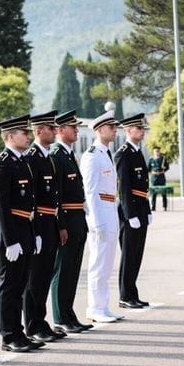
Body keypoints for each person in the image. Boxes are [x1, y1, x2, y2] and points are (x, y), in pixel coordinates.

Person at [0, 114, 41, 352]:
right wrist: (10, 240)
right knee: (10, 285)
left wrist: (33, 233)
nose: (28, 136)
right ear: (10, 137)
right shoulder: (2, 164)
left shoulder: (22, 162)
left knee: (21, 283)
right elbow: (1, 206)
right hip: (11, 233)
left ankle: (19, 332)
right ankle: (8, 335)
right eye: (24, 133)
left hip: (25, 229)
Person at [22, 110, 67, 342]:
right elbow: (31, 199)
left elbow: (55, 198)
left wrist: (60, 225)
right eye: (50, 128)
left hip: (50, 222)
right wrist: (36, 231)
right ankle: (32, 324)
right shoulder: (31, 158)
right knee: (34, 277)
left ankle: (41, 320)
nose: (54, 131)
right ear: (39, 131)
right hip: (38, 223)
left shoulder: (48, 157)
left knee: (45, 275)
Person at [49, 110, 93, 333]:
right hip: (67, 219)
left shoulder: (67, 154)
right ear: (60, 130)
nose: (77, 130)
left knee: (73, 269)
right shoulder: (56, 156)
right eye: (72, 127)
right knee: (63, 269)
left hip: (77, 218)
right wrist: (61, 225)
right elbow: (55, 195)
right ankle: (60, 317)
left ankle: (69, 313)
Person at [81, 110, 122, 323]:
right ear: (100, 130)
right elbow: (89, 191)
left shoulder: (105, 154)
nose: (115, 130)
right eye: (111, 127)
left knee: (107, 263)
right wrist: (95, 222)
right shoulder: (91, 156)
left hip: (109, 212)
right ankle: (94, 307)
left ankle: (103, 306)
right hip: (100, 216)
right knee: (98, 261)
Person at [115, 114, 151, 310]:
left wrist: (147, 210)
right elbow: (124, 188)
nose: (142, 131)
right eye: (138, 128)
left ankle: (132, 293)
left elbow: (143, 186)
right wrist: (130, 215)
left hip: (141, 209)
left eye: (142, 128)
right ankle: (124, 295)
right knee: (129, 254)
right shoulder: (123, 154)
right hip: (130, 212)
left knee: (137, 254)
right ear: (128, 130)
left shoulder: (138, 152)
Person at [147, 146, 170, 211]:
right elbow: (148, 169)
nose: (157, 152)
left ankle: (164, 206)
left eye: (158, 151)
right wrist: (152, 172)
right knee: (154, 193)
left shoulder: (163, 159)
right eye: (156, 151)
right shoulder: (151, 159)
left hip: (161, 177)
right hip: (154, 178)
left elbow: (167, 167)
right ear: (153, 152)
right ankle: (153, 207)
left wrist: (163, 171)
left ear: (159, 151)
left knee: (163, 192)